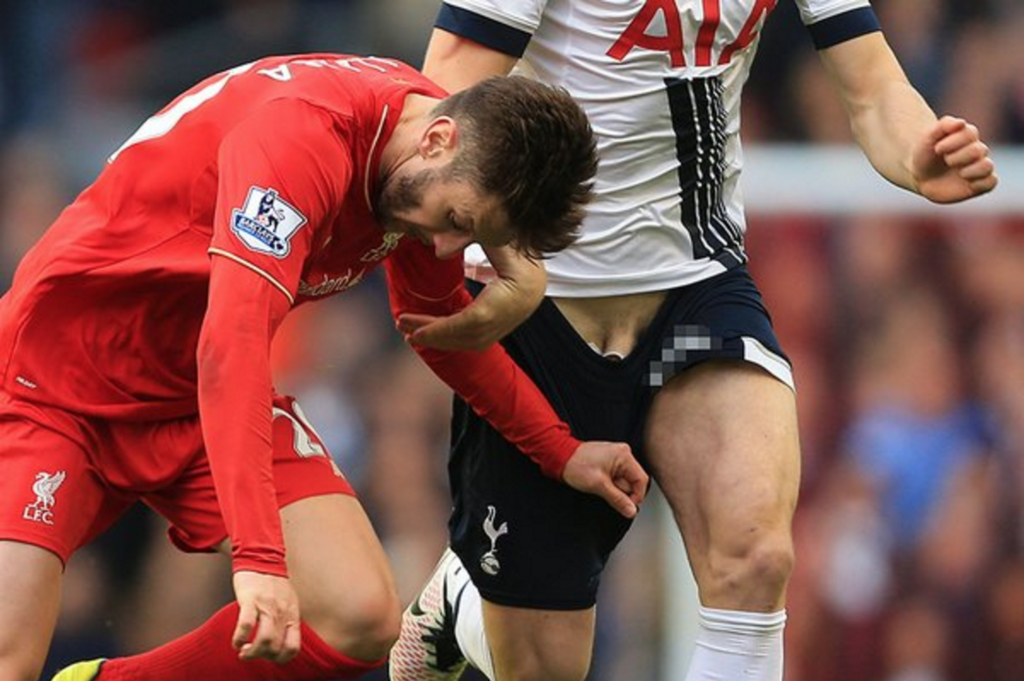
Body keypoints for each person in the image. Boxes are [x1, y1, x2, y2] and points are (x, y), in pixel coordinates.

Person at [389, 2, 999, 681]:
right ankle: (461, 598)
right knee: (542, 664)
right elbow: (442, 105)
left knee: (757, 558)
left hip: (698, 283)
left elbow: (874, 89)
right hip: (539, 302)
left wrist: (918, 153)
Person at [0, 52, 651, 681]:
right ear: (439, 139)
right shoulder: (303, 135)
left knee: (362, 615)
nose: (448, 246)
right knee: (10, 659)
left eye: (471, 236)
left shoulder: (414, 154)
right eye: (455, 221)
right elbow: (231, 344)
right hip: (56, 385)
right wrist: (260, 561)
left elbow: (432, 319)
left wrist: (559, 449)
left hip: (192, 398)